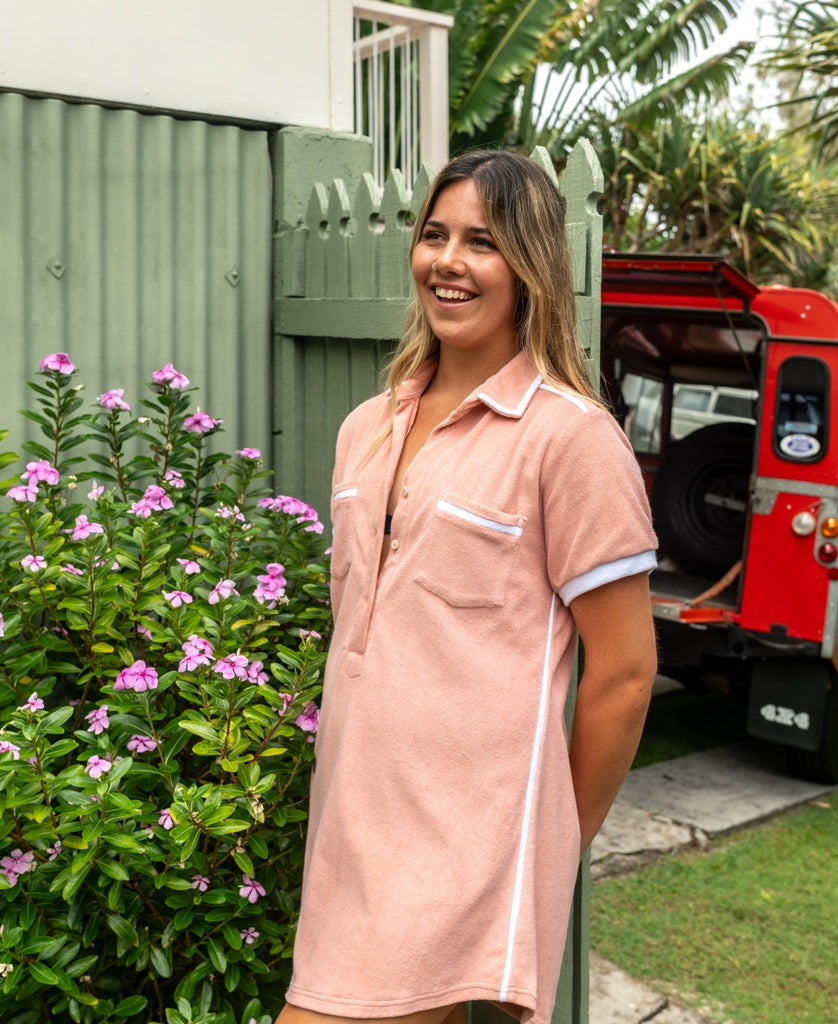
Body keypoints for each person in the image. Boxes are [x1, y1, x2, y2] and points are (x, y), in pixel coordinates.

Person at [278, 150, 658, 1024]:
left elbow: (627, 674)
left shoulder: (569, 440)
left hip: (463, 849)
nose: (448, 261)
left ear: (530, 268)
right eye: (435, 236)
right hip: (351, 833)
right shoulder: (364, 430)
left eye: (482, 242)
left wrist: (546, 840)